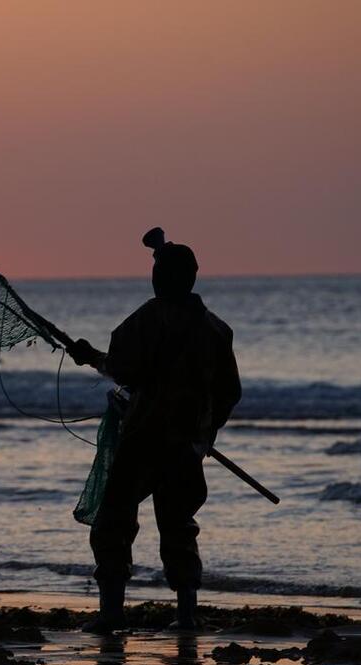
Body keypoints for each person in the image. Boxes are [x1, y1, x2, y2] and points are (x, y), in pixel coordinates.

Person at [67, 227, 241, 632]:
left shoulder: (150, 316)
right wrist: (204, 433)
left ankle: (111, 614)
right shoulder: (218, 329)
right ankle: (186, 616)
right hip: (186, 449)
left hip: (143, 441)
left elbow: (124, 368)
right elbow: (228, 393)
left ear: (163, 278)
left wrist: (90, 356)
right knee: (179, 526)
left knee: (113, 521)